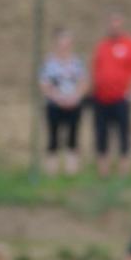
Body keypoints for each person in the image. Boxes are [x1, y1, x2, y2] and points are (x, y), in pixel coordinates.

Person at [91, 12, 131, 177]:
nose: (114, 26)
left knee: (123, 134)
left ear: (122, 24)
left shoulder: (130, 45)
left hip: (121, 98)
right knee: (101, 133)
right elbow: (96, 69)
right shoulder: (102, 46)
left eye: (117, 23)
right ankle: (103, 171)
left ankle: (124, 170)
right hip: (101, 98)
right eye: (111, 23)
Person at [38, 27, 87, 176]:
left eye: (67, 43)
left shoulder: (77, 62)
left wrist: (76, 97)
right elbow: (44, 84)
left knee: (73, 138)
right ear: (56, 44)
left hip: (74, 104)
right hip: (54, 105)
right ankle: (51, 171)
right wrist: (57, 98)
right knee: (53, 138)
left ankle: (71, 171)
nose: (64, 46)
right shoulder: (49, 63)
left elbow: (83, 82)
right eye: (61, 43)